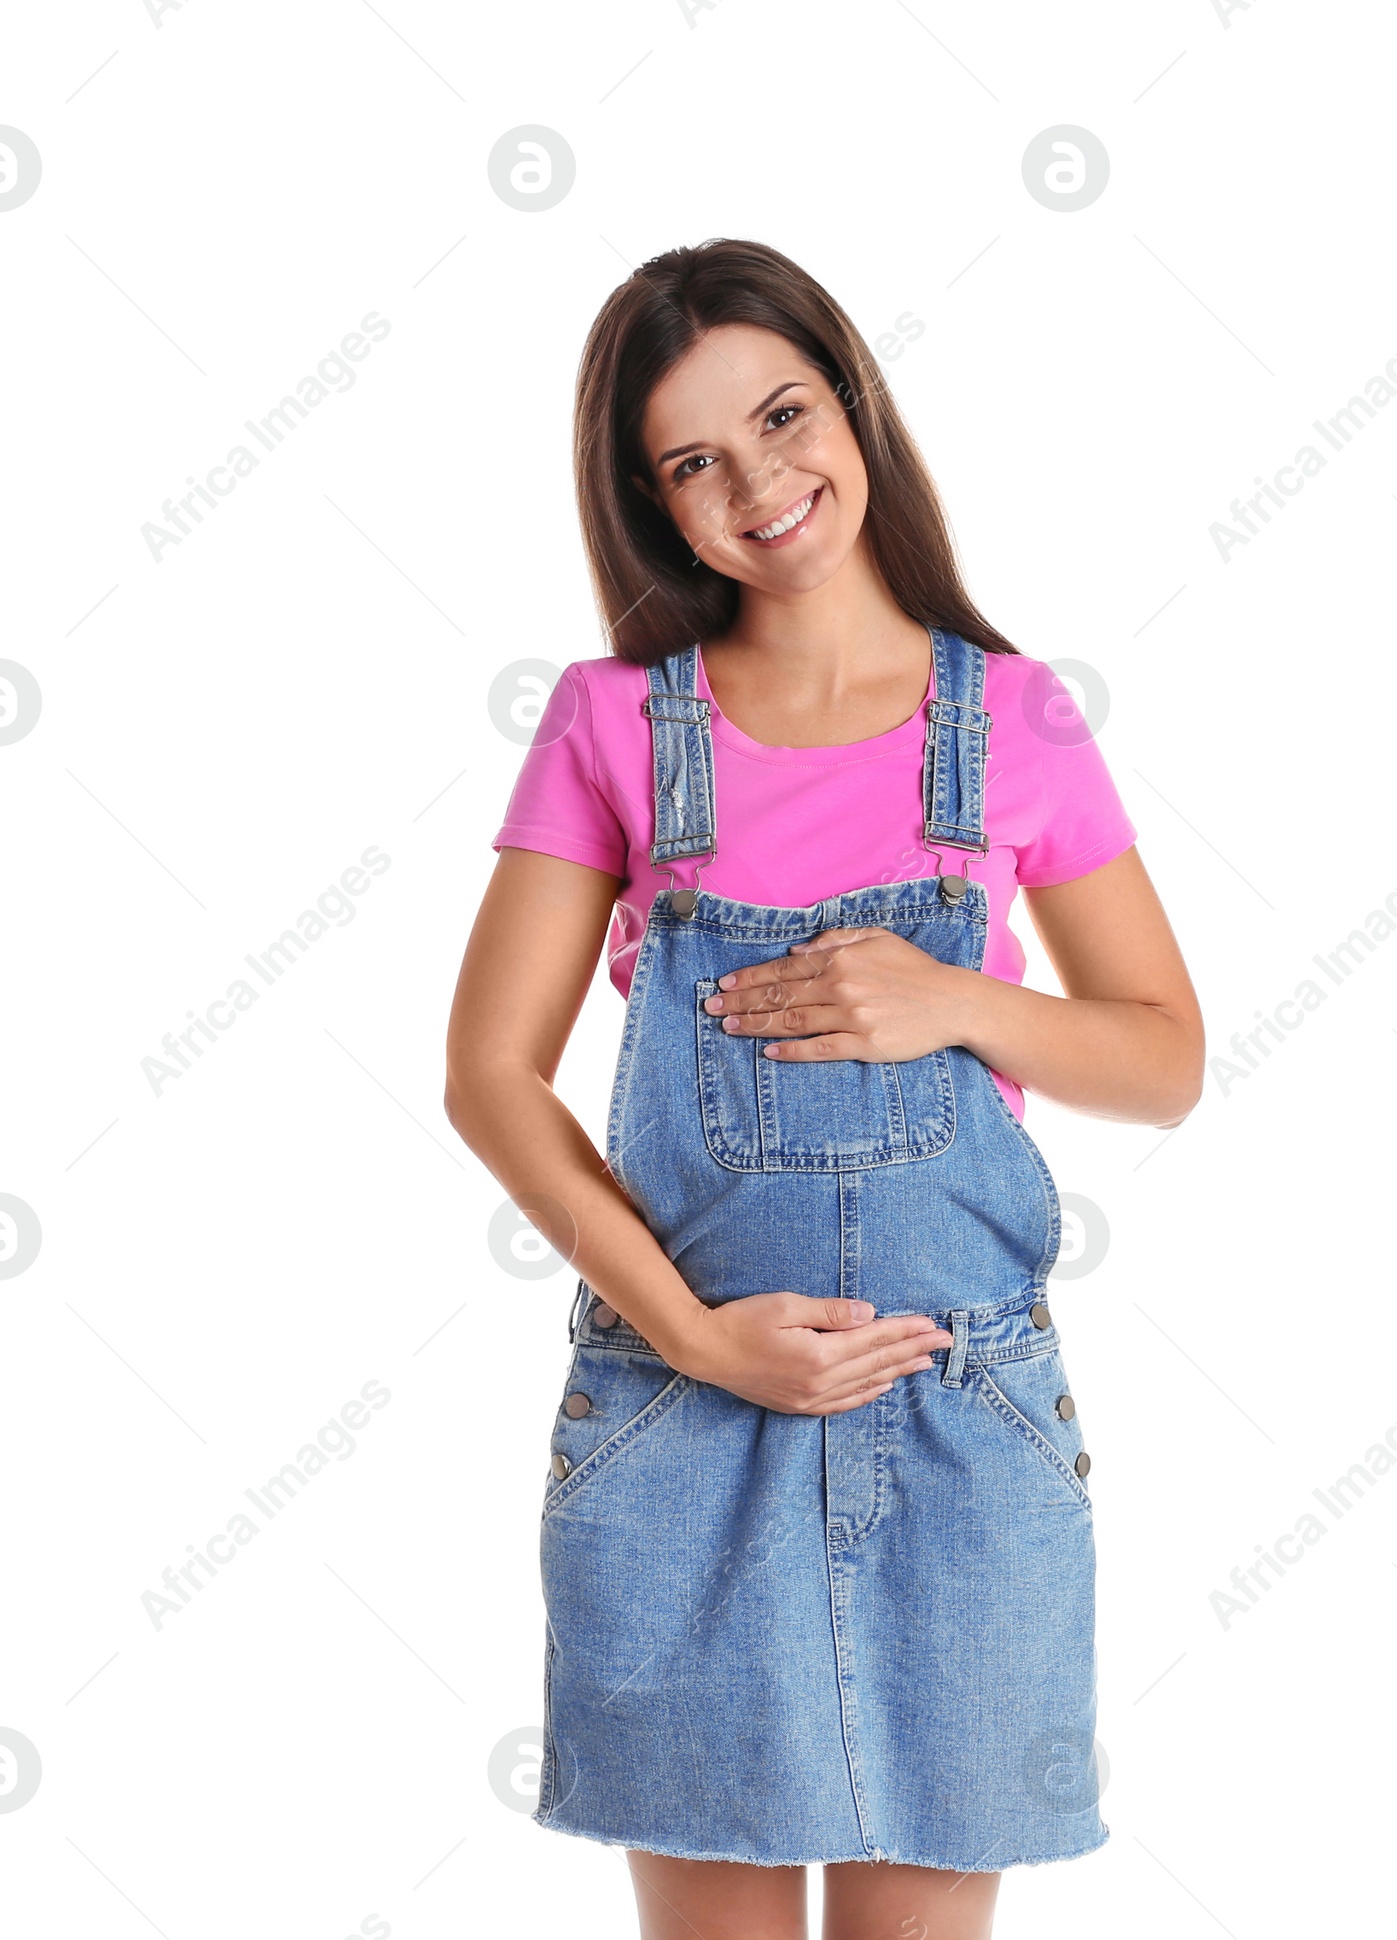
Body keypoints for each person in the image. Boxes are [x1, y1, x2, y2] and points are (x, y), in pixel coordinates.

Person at [445, 237, 1205, 1940]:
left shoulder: (1014, 720)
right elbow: (491, 1077)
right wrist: (694, 1334)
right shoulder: (614, 724)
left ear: (853, 399)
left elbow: (1164, 1055)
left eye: (782, 416)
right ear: (653, 506)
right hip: (682, 1423)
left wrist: (953, 998)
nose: (760, 483)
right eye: (693, 462)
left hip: (964, 1426)